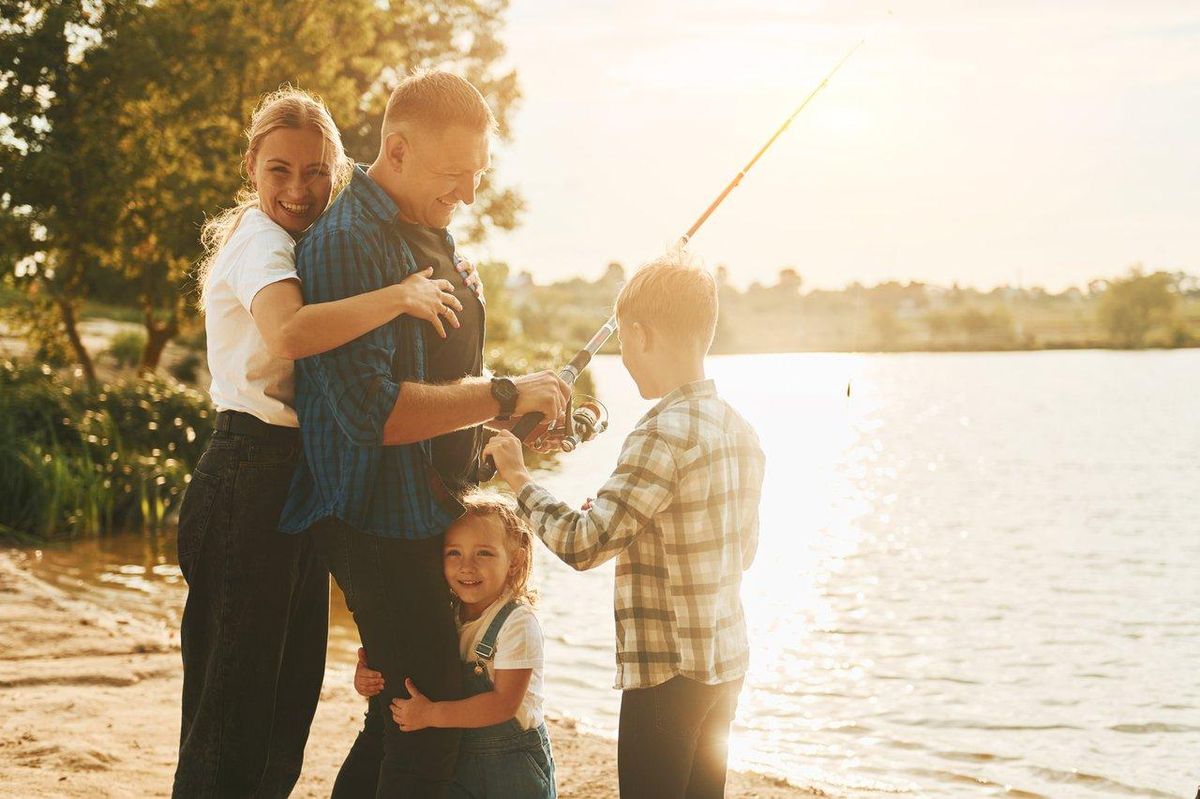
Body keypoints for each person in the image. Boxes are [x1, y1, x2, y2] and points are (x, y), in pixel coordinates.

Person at [278, 69, 570, 798]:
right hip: (376, 517)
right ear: (399, 151)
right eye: (455, 174)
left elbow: (441, 381)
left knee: (395, 711)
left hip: (428, 507)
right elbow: (373, 414)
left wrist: (512, 414)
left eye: (477, 175)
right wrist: (500, 392)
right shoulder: (349, 241)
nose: (469, 193)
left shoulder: (430, 228)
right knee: (425, 712)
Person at [174, 87, 472, 798]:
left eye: (315, 172)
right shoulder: (261, 243)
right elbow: (290, 333)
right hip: (245, 473)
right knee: (230, 720)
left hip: (295, 484)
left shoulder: (312, 244)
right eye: (280, 170)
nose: (299, 189)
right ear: (251, 167)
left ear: (335, 171)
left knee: (285, 707)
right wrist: (400, 296)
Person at [484, 253, 767, 799]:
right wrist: (642, 526)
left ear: (639, 333)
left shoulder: (660, 432)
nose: (625, 358)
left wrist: (519, 478)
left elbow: (582, 546)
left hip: (665, 673)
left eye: (624, 343)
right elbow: (742, 550)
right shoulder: (741, 429)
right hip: (724, 661)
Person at [352, 491, 556, 799]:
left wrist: (431, 715)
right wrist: (367, 678)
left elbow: (504, 704)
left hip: (511, 766)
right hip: (460, 762)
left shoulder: (517, 622)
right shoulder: (444, 616)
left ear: (515, 562)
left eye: (484, 553)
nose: (467, 567)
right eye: (454, 553)